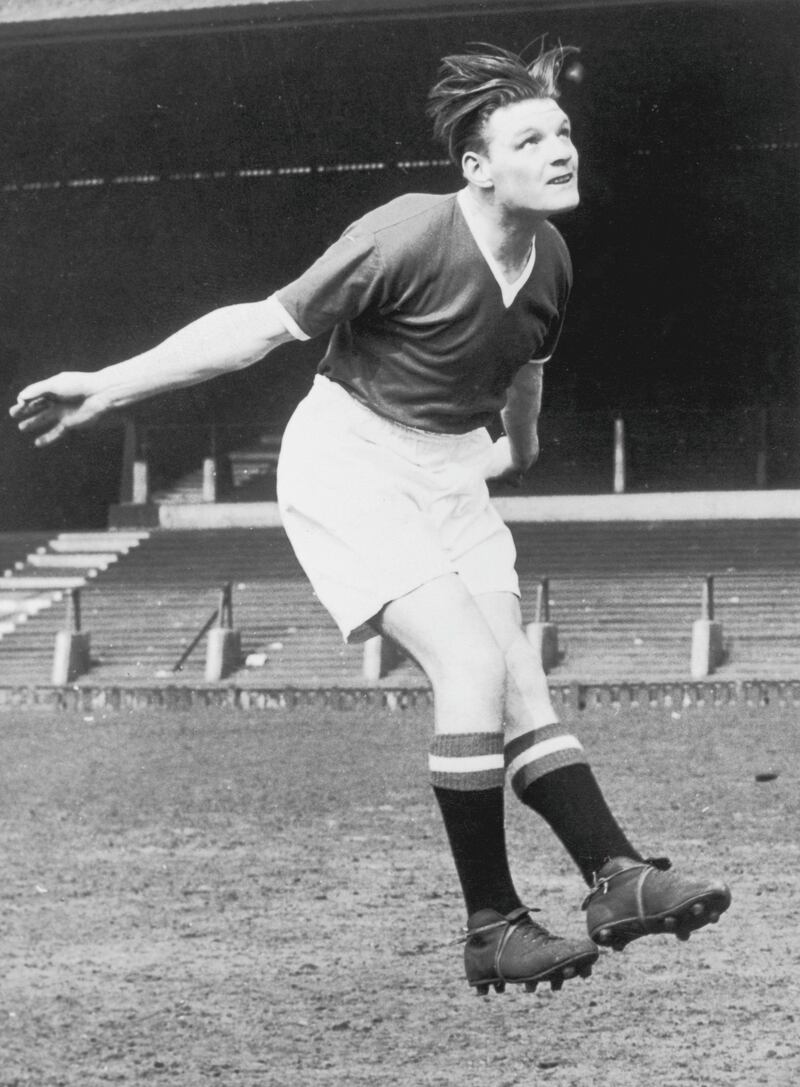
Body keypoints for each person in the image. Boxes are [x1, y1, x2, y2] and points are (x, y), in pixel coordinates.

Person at [11, 42, 731, 997]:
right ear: (478, 167)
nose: (561, 147)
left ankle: (618, 877)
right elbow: (260, 326)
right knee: (468, 664)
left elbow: (523, 372)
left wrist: (512, 451)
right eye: (531, 137)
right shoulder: (406, 234)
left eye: (562, 131)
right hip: (351, 460)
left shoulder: (550, 257)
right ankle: (492, 924)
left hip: (445, 473)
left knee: (519, 673)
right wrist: (108, 384)